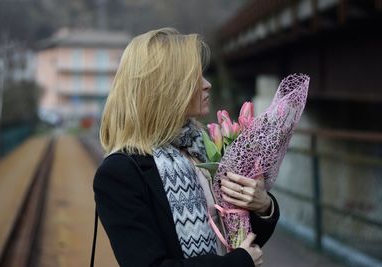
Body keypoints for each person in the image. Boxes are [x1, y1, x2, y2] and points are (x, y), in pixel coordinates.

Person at [93, 28, 279, 267]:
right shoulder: (121, 172)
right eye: (195, 77)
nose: (207, 84)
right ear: (166, 87)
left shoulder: (203, 147)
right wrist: (238, 263)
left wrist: (264, 206)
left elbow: (241, 238)